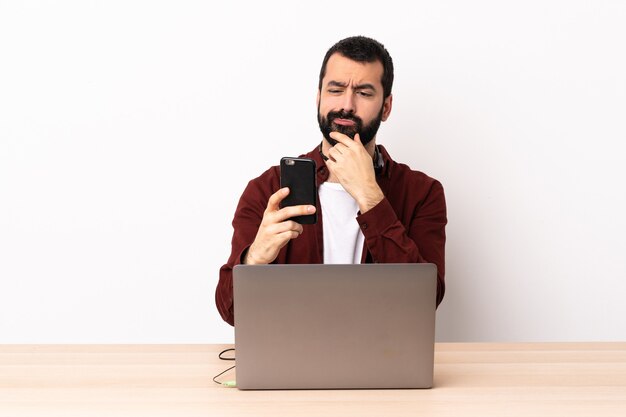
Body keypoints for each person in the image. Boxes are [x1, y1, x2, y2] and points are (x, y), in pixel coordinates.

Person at [216, 36, 447, 326]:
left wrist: (370, 196)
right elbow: (231, 313)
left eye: (364, 93)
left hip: (383, 360)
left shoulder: (423, 193)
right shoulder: (266, 189)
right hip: (292, 364)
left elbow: (424, 303)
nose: (347, 106)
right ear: (319, 97)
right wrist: (254, 259)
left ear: (386, 107)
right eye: (335, 90)